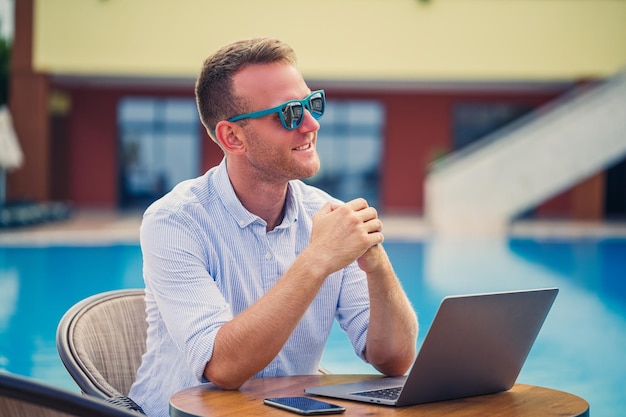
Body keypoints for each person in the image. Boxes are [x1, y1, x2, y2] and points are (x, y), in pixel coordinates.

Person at [128, 37, 418, 417]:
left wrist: (377, 265)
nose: (312, 124)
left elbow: (394, 361)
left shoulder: (325, 215)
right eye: (289, 114)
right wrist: (317, 259)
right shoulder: (174, 221)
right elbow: (223, 369)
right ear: (232, 137)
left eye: (311, 105)